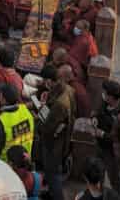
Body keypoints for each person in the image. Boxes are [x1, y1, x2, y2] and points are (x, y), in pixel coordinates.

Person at [38, 64, 76, 200]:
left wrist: (41, 109)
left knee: (53, 174)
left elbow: (47, 128)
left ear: (50, 81)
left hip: (53, 146)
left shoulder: (60, 104)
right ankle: (51, 194)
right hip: (63, 139)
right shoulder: (69, 90)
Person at [94, 80, 120, 195]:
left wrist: (102, 134)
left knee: (115, 179)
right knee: (98, 174)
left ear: (112, 97)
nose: (103, 95)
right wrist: (95, 118)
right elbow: (98, 112)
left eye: (105, 93)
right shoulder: (105, 102)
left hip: (113, 153)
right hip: (100, 146)